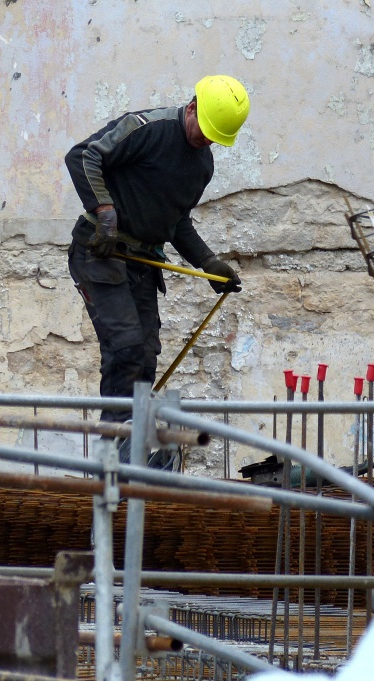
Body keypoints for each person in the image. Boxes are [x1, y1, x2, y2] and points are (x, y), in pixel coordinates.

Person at [65, 74, 248, 434]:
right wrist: (105, 213)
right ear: (192, 107)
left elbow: (177, 221)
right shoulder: (147, 128)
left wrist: (209, 262)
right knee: (126, 347)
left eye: (215, 136)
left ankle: (129, 458)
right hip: (100, 252)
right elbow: (83, 156)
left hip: (144, 265)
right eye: (205, 129)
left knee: (145, 358)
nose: (206, 139)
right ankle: (113, 457)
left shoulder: (202, 167)